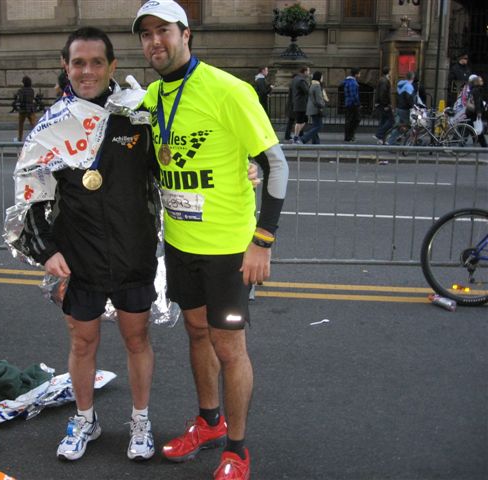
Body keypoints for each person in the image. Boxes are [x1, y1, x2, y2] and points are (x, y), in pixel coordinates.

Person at [133, 1, 289, 478]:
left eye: (164, 30)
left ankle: (236, 449)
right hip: (180, 244)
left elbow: (276, 164)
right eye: (145, 34)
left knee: (229, 347)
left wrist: (262, 239)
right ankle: (209, 423)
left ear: (186, 34)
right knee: (196, 333)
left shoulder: (228, 90)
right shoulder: (150, 99)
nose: (154, 41)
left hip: (227, 250)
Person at [18, 27, 159, 462]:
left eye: (97, 61)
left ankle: (141, 421)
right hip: (79, 257)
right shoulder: (51, 128)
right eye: (78, 62)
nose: (88, 70)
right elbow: (30, 193)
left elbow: (177, 165)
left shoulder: (138, 114)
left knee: (137, 339)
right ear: (66, 66)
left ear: (113, 66)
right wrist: (47, 251)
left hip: (134, 250)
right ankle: (85, 419)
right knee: (82, 344)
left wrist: (240, 170)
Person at [386, 71, 416, 146]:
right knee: (410, 125)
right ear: (412, 78)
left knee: (400, 125)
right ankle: (407, 140)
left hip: (399, 107)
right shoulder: (409, 86)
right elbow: (409, 98)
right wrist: (414, 106)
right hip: (405, 109)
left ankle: (392, 140)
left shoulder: (401, 85)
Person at [300, 71, 326, 144]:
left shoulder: (312, 84)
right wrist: (323, 105)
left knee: (315, 125)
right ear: (319, 77)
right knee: (319, 126)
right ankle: (304, 138)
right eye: (322, 76)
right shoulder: (317, 86)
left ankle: (315, 142)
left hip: (311, 108)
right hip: (316, 109)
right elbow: (319, 99)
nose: (322, 78)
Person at [373, 66, 393, 144]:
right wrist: (386, 105)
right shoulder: (385, 81)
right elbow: (383, 93)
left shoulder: (382, 79)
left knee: (383, 120)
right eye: (390, 71)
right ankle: (379, 134)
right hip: (384, 104)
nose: (391, 73)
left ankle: (381, 139)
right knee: (391, 121)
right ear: (388, 72)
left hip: (381, 104)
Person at [15, 76, 37, 142]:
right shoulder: (31, 90)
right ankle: (36, 137)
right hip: (30, 108)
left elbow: (20, 99)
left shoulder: (21, 90)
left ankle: (19, 138)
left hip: (23, 109)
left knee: (21, 125)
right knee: (34, 125)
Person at [291, 66, 310, 143]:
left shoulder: (296, 79)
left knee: (302, 120)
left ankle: (296, 136)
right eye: (308, 71)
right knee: (300, 121)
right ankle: (295, 137)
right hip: (301, 104)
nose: (309, 73)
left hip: (297, 103)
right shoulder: (301, 80)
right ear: (305, 71)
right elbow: (307, 90)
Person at [467, 74, 487, 147]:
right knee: (478, 128)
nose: (482, 81)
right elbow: (477, 102)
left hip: (470, 112)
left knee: (473, 127)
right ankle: (483, 144)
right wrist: (479, 112)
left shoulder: (473, 89)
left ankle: (478, 141)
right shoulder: (477, 90)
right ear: (477, 82)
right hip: (474, 112)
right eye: (481, 80)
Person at [342, 67, 361, 142]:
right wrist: (358, 103)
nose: (360, 74)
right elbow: (354, 95)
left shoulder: (348, 81)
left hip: (348, 103)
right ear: (356, 74)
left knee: (350, 120)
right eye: (359, 73)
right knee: (355, 119)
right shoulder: (353, 83)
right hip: (352, 104)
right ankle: (349, 136)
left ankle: (349, 136)